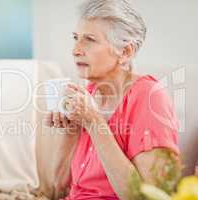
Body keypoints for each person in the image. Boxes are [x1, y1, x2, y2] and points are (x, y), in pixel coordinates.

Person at [44, 0, 181, 199]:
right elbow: (57, 191)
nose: (76, 50)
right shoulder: (89, 93)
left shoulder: (150, 97)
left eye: (90, 39)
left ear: (125, 52)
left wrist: (94, 123)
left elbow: (147, 196)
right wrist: (70, 132)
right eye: (76, 38)